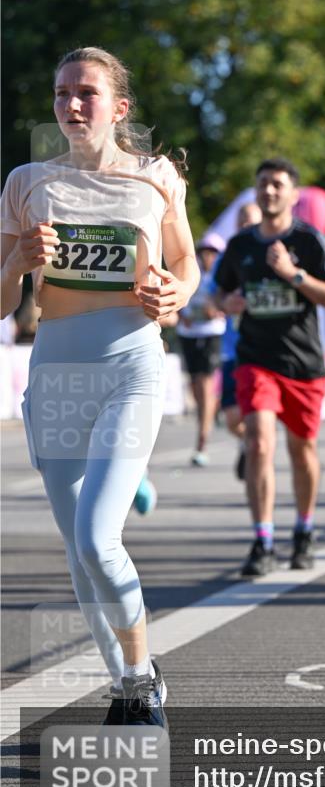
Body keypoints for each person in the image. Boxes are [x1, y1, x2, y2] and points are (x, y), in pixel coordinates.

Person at [0, 46, 199, 725]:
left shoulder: (155, 177)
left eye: (86, 93)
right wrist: (18, 266)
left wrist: (174, 294)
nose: (71, 105)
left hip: (131, 367)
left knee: (95, 539)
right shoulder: (27, 181)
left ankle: (139, 682)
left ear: (119, 108)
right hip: (55, 375)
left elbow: (186, 266)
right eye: (61, 94)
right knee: (77, 553)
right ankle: (127, 682)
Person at [213, 158, 325, 576]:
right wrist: (226, 303)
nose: (269, 191)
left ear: (293, 195)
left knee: (301, 449)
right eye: (263, 185)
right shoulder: (240, 246)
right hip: (257, 360)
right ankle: (263, 539)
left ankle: (304, 531)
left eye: (278, 185)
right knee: (258, 441)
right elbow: (217, 293)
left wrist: (294, 275)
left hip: (304, 363)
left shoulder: (311, 241)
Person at [217, 201, 263, 480]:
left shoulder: (273, 254)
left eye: (251, 220)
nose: (246, 225)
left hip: (261, 351)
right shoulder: (229, 257)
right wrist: (224, 302)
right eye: (242, 220)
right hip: (231, 351)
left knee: (259, 418)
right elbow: (214, 295)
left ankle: (258, 453)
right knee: (233, 418)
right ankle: (247, 443)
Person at [176, 231, 226, 466]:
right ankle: (212, 409)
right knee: (196, 388)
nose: (208, 256)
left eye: (212, 252)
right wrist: (180, 314)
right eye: (204, 251)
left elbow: (230, 299)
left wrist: (216, 310)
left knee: (205, 385)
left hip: (211, 334)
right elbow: (177, 293)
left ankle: (201, 443)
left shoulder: (223, 274)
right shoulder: (189, 270)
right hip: (188, 333)